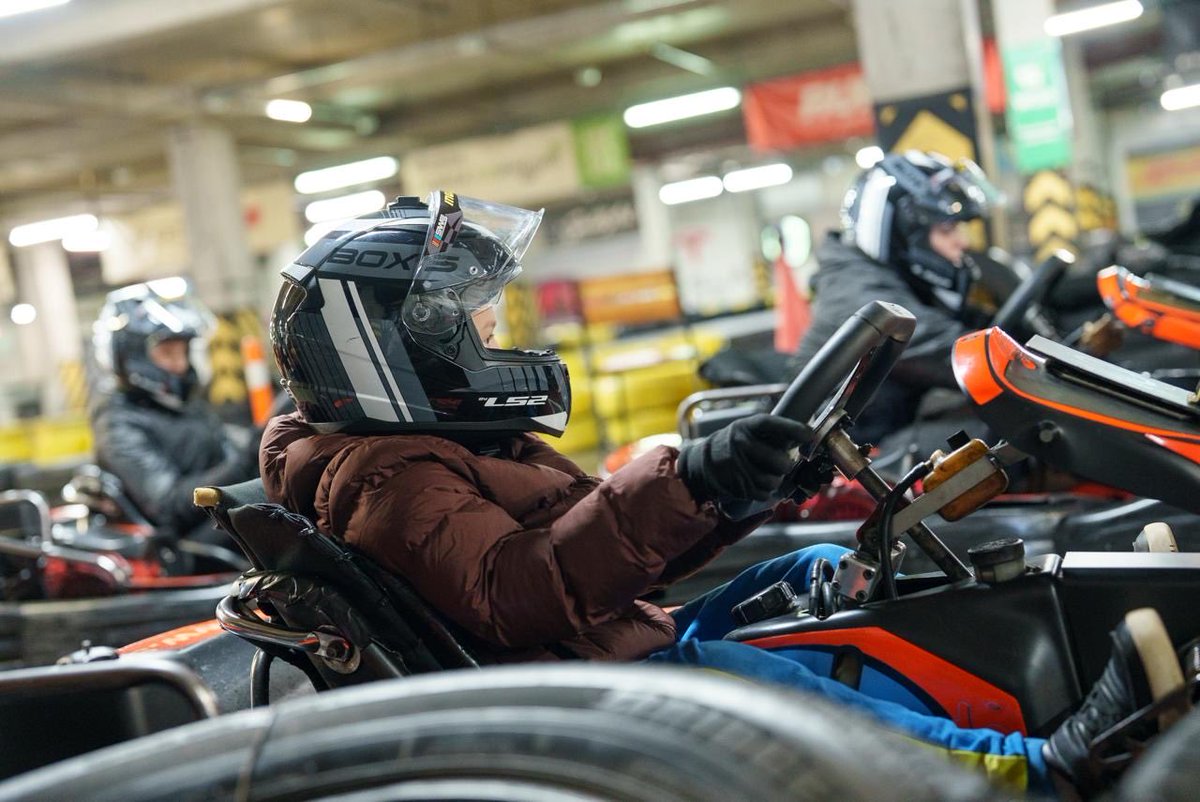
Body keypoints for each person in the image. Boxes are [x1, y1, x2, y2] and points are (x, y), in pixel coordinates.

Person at [261, 192, 1190, 797]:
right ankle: (1039, 773)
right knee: (759, 686)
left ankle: (1020, 705)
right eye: (473, 315)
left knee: (819, 570)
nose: (496, 329)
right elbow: (520, 591)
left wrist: (735, 492)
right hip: (586, 692)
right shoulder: (385, 477)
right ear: (399, 341)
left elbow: (602, 563)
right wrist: (686, 473)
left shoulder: (431, 443)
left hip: (608, 642)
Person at [792, 151, 997, 445]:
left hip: (873, 437)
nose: (962, 242)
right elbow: (950, 352)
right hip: (836, 460)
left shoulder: (895, 280)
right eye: (947, 229)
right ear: (902, 234)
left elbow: (977, 324)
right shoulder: (860, 295)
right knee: (995, 439)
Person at [89, 280, 259, 546]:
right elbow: (167, 505)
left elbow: (227, 455)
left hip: (216, 519)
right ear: (131, 354)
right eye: (167, 353)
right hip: (181, 542)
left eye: (183, 352)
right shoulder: (117, 421)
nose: (180, 365)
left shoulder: (185, 406)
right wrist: (244, 462)